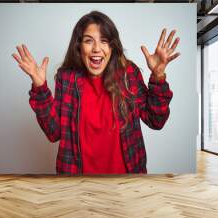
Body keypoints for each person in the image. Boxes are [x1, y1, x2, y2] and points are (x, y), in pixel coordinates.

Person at [12, 11, 179, 175]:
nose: (97, 48)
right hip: (77, 184)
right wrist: (40, 87)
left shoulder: (128, 73)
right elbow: (54, 132)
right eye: (88, 41)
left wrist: (158, 76)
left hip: (126, 182)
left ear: (112, 47)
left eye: (104, 41)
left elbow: (156, 120)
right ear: (79, 46)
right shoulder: (67, 78)